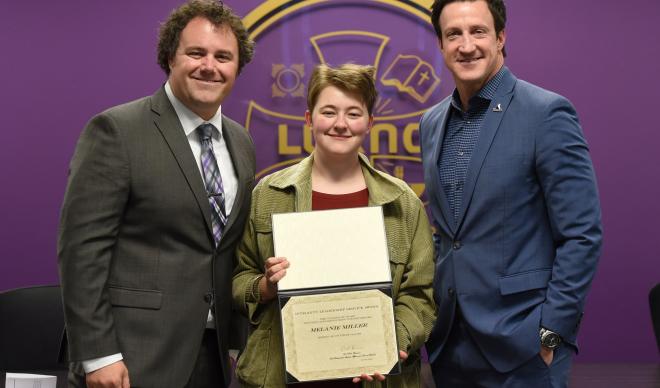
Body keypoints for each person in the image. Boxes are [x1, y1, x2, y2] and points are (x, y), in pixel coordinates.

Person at [57, 1, 255, 387]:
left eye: (223, 56)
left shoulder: (241, 140)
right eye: (195, 52)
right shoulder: (117, 130)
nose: (209, 66)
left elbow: (226, 249)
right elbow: (82, 251)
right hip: (132, 358)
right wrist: (98, 355)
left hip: (212, 356)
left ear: (236, 68)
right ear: (170, 57)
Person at [420, 0, 603, 387]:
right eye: (453, 33)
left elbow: (581, 234)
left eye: (478, 31)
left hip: (523, 348)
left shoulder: (546, 113)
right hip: (450, 346)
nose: (466, 45)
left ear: (501, 37)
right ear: (440, 43)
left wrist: (550, 331)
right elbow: (447, 234)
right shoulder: (432, 122)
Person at [232, 63, 436, 388]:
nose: (341, 124)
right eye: (329, 112)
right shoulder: (268, 194)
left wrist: (388, 344)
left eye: (353, 114)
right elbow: (239, 280)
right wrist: (267, 286)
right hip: (278, 376)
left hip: (375, 376)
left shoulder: (402, 203)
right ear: (309, 119)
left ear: (370, 123)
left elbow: (420, 297)